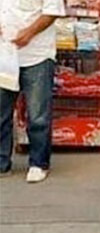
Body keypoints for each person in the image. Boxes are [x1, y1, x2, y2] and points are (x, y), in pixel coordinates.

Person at [0, 0, 65, 183]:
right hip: (4, 54)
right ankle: (2, 162)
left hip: (36, 55)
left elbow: (52, 11)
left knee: (38, 115)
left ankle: (38, 163)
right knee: (1, 113)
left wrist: (28, 33)